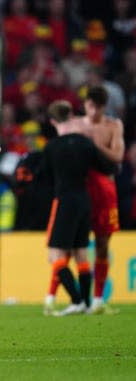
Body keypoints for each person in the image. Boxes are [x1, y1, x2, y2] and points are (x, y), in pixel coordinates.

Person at [41, 100, 117, 316]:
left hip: (64, 201)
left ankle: (76, 301)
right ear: (72, 115)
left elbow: (45, 178)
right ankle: (85, 302)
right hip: (85, 201)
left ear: (53, 121)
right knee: (81, 254)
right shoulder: (85, 143)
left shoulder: (52, 147)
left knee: (56, 256)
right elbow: (106, 167)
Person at [76, 86, 124, 314]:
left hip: (105, 190)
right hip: (81, 189)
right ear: (85, 104)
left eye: (97, 107)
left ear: (104, 107)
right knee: (74, 245)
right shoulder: (76, 125)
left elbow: (117, 156)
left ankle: (97, 300)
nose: (93, 111)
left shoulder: (113, 126)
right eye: (89, 105)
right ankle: (78, 299)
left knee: (103, 244)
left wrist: (93, 145)